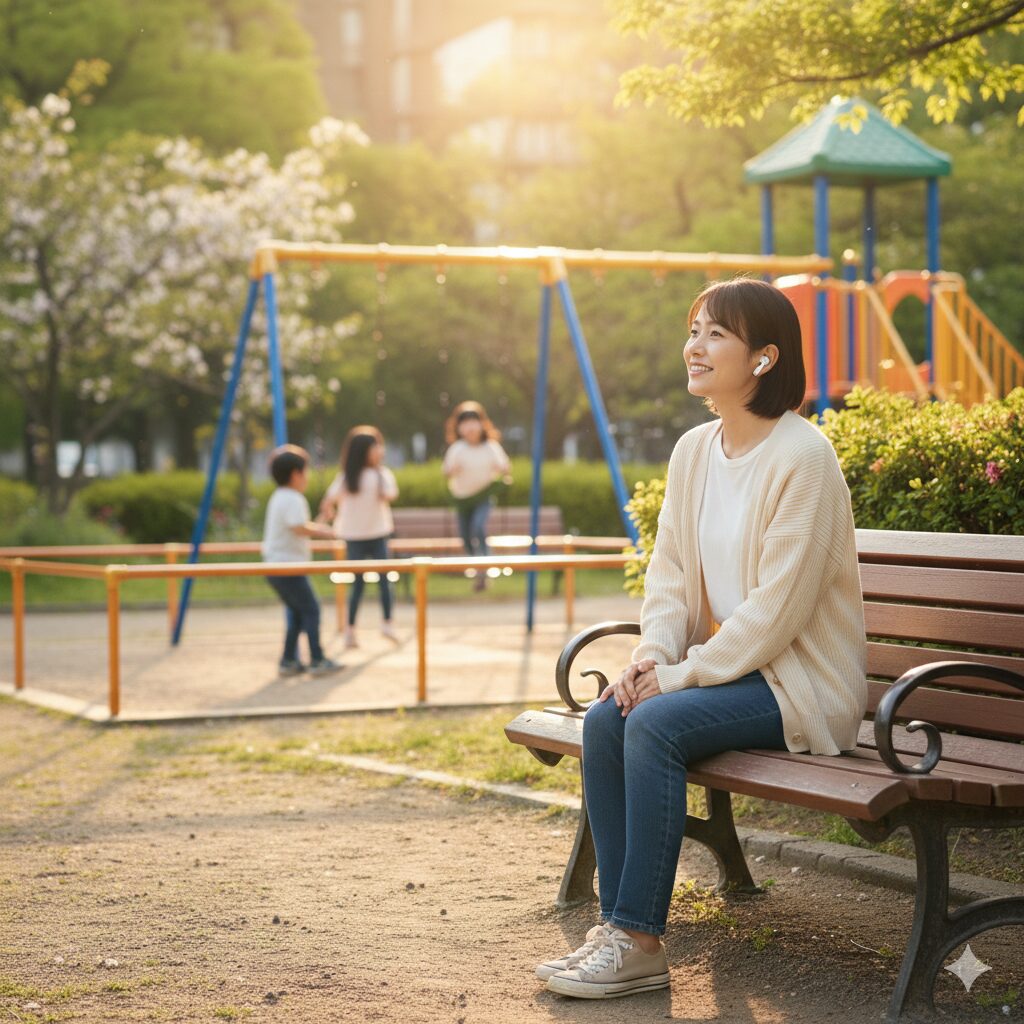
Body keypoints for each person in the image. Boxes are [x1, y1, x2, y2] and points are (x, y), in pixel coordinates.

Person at [538, 277, 868, 1000]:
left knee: (654, 724)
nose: (695, 346)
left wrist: (680, 677)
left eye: (716, 334)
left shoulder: (803, 456)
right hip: (734, 674)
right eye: (694, 330)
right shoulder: (694, 451)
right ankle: (618, 929)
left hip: (800, 684)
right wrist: (651, 658)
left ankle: (640, 942)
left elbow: (778, 611)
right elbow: (670, 577)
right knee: (609, 717)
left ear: (763, 358)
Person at [261, 444, 342, 677]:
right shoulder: (293, 498)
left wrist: (322, 521)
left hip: (277, 566)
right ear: (296, 474)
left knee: (297, 613)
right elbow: (299, 528)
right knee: (312, 609)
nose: (307, 477)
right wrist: (328, 532)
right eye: (306, 472)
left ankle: (288, 660)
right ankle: (317, 658)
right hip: (287, 567)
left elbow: (300, 528)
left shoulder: (280, 496)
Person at [319, 426, 399, 649]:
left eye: (379, 446)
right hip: (354, 536)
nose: (379, 450)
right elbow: (328, 499)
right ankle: (351, 629)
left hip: (378, 533)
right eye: (374, 447)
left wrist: (384, 493)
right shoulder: (348, 477)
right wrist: (327, 512)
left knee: (385, 581)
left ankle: (387, 622)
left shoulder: (382, 475)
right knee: (358, 584)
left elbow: (392, 494)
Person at [442, 400, 511, 591]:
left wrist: (504, 472)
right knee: (465, 536)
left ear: (482, 424)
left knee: (478, 527)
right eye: (465, 423)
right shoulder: (457, 449)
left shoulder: (490, 447)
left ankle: (485, 566)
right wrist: (452, 470)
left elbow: (504, 466)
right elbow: (446, 471)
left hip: (483, 496)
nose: (470, 427)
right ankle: (477, 564)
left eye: (474, 422)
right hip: (462, 499)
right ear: (459, 427)